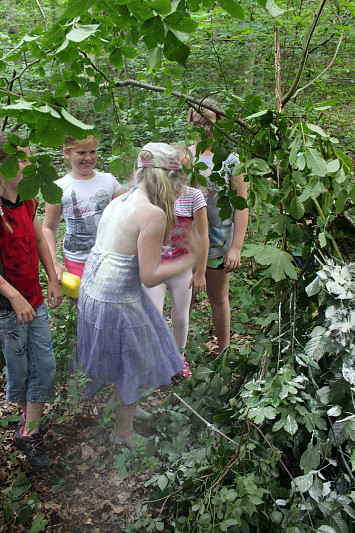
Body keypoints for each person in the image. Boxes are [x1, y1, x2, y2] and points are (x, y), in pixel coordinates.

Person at [75, 143, 202, 449]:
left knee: (125, 357)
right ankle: (123, 431)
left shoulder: (120, 201)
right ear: (166, 181)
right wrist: (189, 258)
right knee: (130, 361)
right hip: (117, 298)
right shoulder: (152, 214)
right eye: (178, 183)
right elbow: (149, 275)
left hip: (94, 291)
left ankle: (126, 410)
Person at [0, 133, 62, 469]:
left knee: (46, 365)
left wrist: (52, 276)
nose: (28, 164)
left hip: (34, 301)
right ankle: (28, 425)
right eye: (21, 159)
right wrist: (13, 296)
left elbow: (40, 237)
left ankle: (31, 429)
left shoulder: (27, 199)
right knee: (20, 368)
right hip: (7, 309)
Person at [187, 98, 249, 353]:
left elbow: (241, 205)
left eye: (209, 122)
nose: (204, 128)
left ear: (219, 121)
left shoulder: (231, 160)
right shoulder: (185, 158)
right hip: (187, 243)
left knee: (218, 296)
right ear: (190, 124)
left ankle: (224, 350)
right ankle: (177, 350)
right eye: (198, 122)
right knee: (185, 297)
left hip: (219, 242)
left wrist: (236, 247)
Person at [144, 145, 209, 377]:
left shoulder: (194, 195)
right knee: (153, 315)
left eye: (184, 167)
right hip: (155, 267)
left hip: (182, 269)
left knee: (181, 317)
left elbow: (202, 235)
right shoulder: (153, 195)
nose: (179, 171)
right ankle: (156, 358)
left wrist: (200, 271)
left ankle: (178, 357)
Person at [42, 134, 125, 281]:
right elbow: (48, 227)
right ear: (66, 153)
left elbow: (128, 207)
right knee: (83, 302)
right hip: (77, 261)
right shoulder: (58, 188)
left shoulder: (108, 180)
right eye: (81, 152)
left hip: (110, 257)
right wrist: (53, 262)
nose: (88, 157)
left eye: (92, 151)